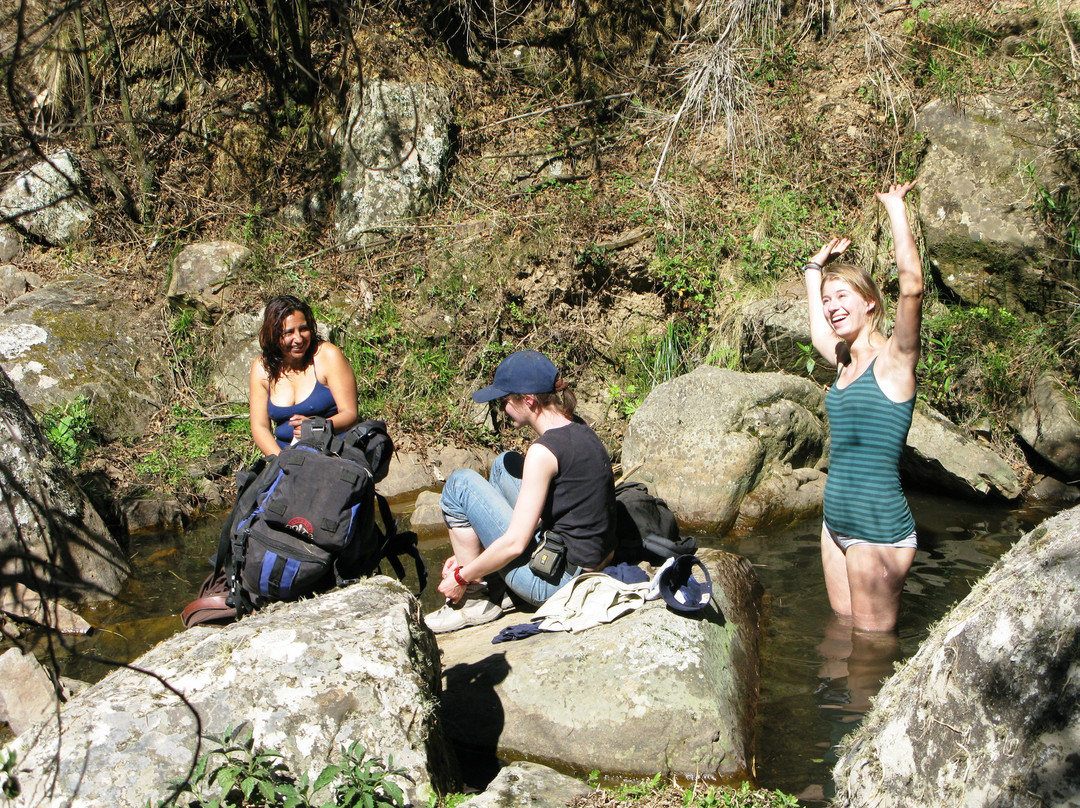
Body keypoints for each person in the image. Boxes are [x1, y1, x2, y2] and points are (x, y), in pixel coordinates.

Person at [425, 350, 616, 634]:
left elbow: (515, 543)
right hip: (589, 563)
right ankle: (493, 579)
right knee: (505, 463)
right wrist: (476, 558)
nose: (503, 410)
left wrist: (462, 575)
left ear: (528, 400)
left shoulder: (543, 451)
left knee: (459, 485)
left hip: (556, 583)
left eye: (504, 402)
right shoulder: (578, 427)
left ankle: (474, 600)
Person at [803, 180, 923, 633]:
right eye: (829, 301)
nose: (832, 308)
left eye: (843, 297)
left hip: (877, 533)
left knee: (871, 656)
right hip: (835, 526)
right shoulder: (841, 358)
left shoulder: (895, 359)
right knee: (840, 637)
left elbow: (911, 288)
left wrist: (895, 208)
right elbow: (818, 330)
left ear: (870, 303)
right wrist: (815, 271)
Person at [248, 294, 359, 456]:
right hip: (285, 457)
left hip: (332, 453)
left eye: (303, 329)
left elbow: (350, 414)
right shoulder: (262, 368)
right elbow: (260, 427)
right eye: (289, 332)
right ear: (273, 334)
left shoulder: (327, 355)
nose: (298, 339)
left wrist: (317, 427)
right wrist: (282, 462)